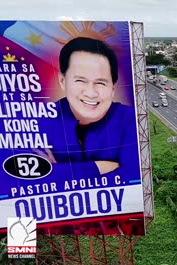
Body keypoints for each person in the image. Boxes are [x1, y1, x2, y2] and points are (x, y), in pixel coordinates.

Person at [34, 37, 140, 180]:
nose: (90, 93)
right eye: (80, 81)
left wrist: (58, 171)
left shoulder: (131, 119)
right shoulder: (39, 120)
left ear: (113, 88)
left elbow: (134, 176)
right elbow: (19, 180)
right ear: (62, 81)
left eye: (101, 83)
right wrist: (99, 167)